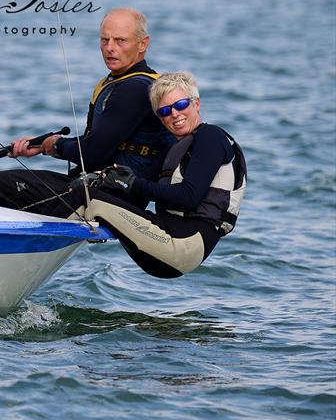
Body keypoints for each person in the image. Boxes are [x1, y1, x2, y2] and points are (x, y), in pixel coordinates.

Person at [0, 8, 175, 217]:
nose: (110, 48)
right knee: (13, 188)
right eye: (105, 40)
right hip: (96, 188)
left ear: (143, 44)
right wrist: (41, 146)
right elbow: (101, 143)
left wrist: (56, 145)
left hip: (109, 196)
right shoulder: (126, 82)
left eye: (120, 41)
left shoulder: (133, 89)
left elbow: (94, 152)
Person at [70, 71, 247, 278]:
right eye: (165, 111)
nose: (174, 114)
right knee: (91, 191)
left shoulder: (211, 136)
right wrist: (107, 180)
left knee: (88, 198)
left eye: (181, 105)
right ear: (161, 119)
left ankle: (39, 232)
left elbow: (189, 196)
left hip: (182, 244)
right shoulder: (176, 150)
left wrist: (131, 183)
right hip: (166, 238)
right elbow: (146, 191)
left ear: (196, 104)